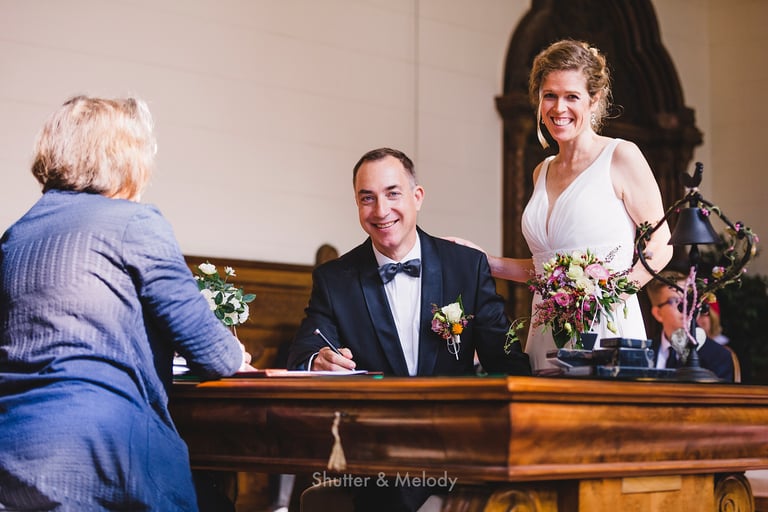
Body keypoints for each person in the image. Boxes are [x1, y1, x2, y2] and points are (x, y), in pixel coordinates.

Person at [0, 95, 250, 511]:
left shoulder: (16, 236)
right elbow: (215, 355)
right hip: (106, 456)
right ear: (125, 158)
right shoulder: (134, 224)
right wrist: (235, 352)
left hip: (12, 456)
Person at [288, 147, 530, 511]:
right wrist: (317, 361)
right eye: (367, 198)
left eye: (392, 194)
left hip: (454, 448)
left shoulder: (466, 266)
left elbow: (506, 359)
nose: (381, 210)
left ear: (417, 197)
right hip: (377, 452)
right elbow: (303, 353)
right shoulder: (335, 279)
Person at [448, 40, 673, 372]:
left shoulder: (620, 156)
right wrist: (486, 261)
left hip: (605, 330)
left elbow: (662, 243)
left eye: (572, 97)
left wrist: (608, 299)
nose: (558, 107)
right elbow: (546, 269)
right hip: (546, 331)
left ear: (594, 100)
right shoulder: (542, 171)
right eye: (549, 95)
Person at [645, 271, 734, 381]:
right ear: (658, 313)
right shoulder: (644, 353)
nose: (685, 306)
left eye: (689, 298)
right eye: (675, 301)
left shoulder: (718, 356)